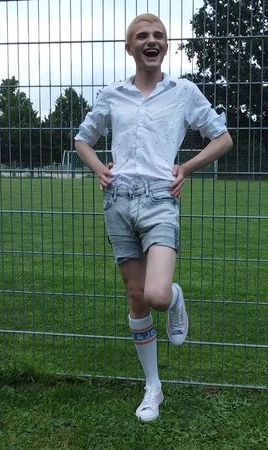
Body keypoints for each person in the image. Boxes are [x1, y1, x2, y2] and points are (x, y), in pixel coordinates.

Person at [74, 13, 233, 423]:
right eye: (142, 36)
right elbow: (83, 139)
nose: (151, 41)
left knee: (156, 295)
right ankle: (153, 387)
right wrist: (99, 169)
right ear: (130, 47)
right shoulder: (112, 94)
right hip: (118, 202)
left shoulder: (183, 92)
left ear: (166, 46)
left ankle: (175, 298)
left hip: (161, 198)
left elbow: (222, 138)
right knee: (136, 296)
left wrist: (186, 168)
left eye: (158, 36)